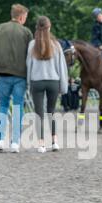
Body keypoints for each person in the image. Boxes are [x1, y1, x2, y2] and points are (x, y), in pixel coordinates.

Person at [0, 4, 33, 153]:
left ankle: (0, 140)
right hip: (20, 75)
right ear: (21, 17)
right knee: (18, 106)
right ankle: (15, 142)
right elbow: (31, 55)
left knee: (3, 106)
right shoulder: (26, 32)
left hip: (2, 74)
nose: (25, 20)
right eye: (25, 17)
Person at [27, 16, 69, 153]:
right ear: (49, 27)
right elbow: (61, 67)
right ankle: (54, 141)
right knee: (51, 111)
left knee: (38, 113)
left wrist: (29, 85)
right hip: (53, 82)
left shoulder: (32, 44)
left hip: (37, 81)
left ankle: (41, 144)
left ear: (37, 28)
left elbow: (29, 65)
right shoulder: (56, 45)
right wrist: (63, 86)